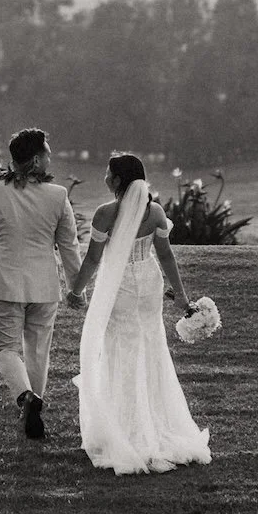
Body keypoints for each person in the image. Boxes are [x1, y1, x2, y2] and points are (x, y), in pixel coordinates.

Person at [64, 153, 212, 474]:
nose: (104, 176)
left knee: (121, 351)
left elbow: (91, 261)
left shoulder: (105, 214)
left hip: (120, 288)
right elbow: (166, 256)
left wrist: (76, 291)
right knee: (151, 348)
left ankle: (127, 430)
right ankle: (156, 423)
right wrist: (181, 295)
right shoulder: (155, 212)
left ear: (118, 181)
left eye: (108, 173)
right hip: (148, 284)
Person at [0, 128, 83, 440]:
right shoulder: (58, 196)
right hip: (44, 286)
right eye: (48, 152)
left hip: (3, 283)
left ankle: (26, 398)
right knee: (39, 350)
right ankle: (34, 405)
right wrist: (76, 288)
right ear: (38, 159)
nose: (51, 156)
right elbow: (69, 247)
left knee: (6, 349)